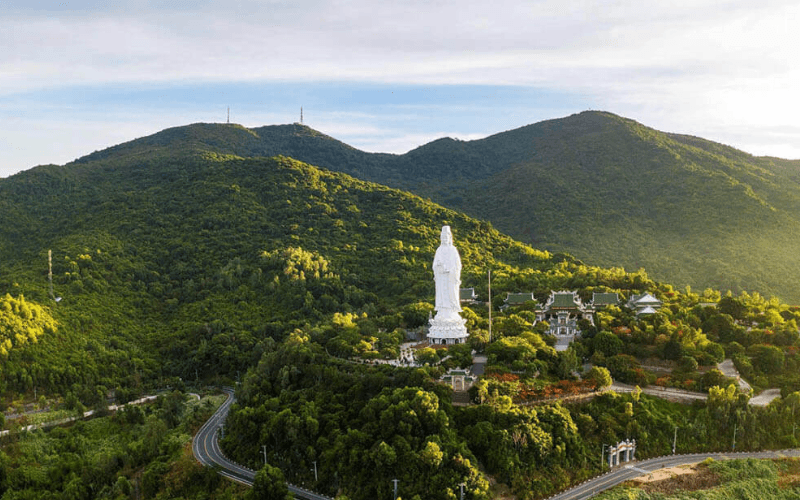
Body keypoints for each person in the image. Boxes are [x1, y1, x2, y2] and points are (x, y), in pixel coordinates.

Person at [433, 226, 462, 319]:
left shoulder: (453, 250)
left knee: (451, 293)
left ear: (450, 238)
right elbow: (434, 264)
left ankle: (451, 311)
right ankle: (442, 310)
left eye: (446, 237)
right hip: (441, 278)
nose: (444, 239)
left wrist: (451, 270)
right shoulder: (439, 250)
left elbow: (458, 265)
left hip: (450, 277)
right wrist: (439, 267)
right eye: (443, 237)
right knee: (441, 294)